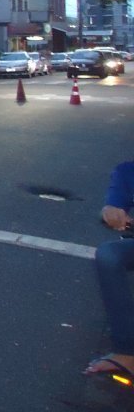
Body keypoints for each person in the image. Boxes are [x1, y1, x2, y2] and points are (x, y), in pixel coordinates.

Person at [85, 160, 134, 378]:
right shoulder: (126, 171)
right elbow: (113, 206)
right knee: (108, 254)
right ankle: (126, 352)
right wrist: (111, 212)